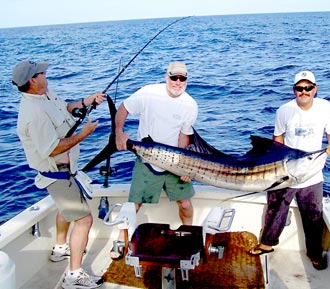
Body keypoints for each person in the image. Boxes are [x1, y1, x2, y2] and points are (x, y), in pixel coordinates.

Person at [13, 60, 107, 289]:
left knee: (64, 210)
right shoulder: (33, 113)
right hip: (57, 174)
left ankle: (59, 248)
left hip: (67, 171)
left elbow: (64, 107)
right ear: (33, 81)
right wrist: (84, 134)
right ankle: (73, 275)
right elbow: (52, 149)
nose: (47, 75)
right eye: (42, 73)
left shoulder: (44, 94)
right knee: (84, 219)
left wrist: (87, 101)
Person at [249, 70, 330, 270]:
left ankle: (315, 254)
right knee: (275, 211)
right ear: (294, 90)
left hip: (312, 173)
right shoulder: (284, 110)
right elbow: (278, 139)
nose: (304, 92)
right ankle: (267, 244)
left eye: (308, 88)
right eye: (300, 88)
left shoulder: (325, 107)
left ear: (315, 89)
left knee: (314, 216)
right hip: (285, 174)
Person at [111, 61, 198, 260]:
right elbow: (123, 108)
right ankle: (119, 240)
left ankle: (188, 237)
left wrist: (185, 168)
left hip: (174, 161)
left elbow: (184, 137)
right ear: (166, 77)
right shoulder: (148, 92)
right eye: (173, 78)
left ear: (186, 80)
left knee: (185, 204)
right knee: (135, 203)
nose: (177, 82)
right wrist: (119, 133)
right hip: (148, 158)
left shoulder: (190, 104)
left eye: (182, 78)